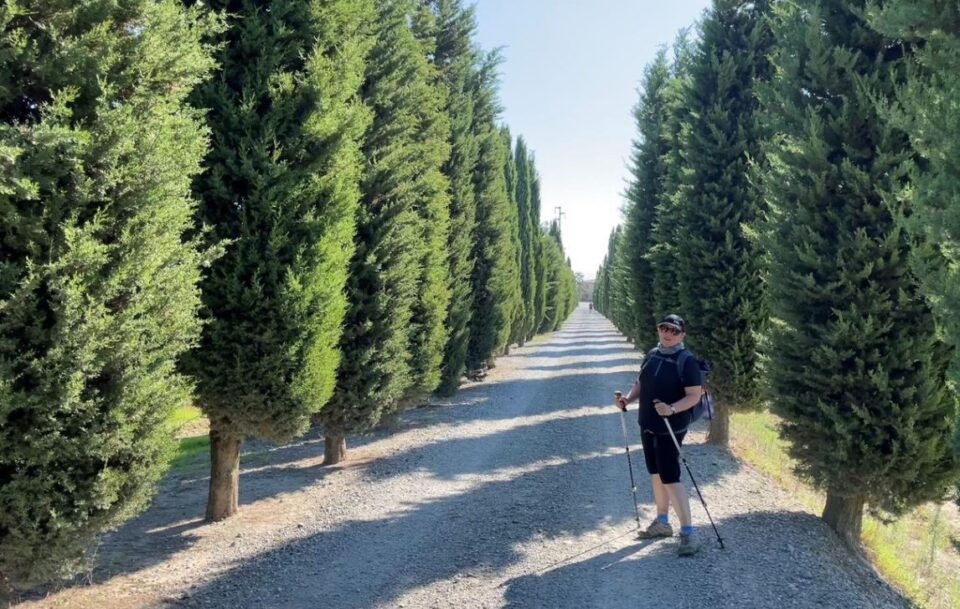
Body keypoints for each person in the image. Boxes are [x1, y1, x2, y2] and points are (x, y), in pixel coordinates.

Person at [614, 314, 703, 556]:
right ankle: (662, 523)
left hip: (671, 428)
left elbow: (695, 395)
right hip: (648, 423)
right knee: (655, 475)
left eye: (674, 331)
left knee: (671, 478)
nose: (668, 333)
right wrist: (627, 399)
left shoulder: (687, 361)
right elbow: (641, 383)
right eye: (664, 328)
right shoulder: (652, 354)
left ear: (682, 335)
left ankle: (689, 534)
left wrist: (672, 408)